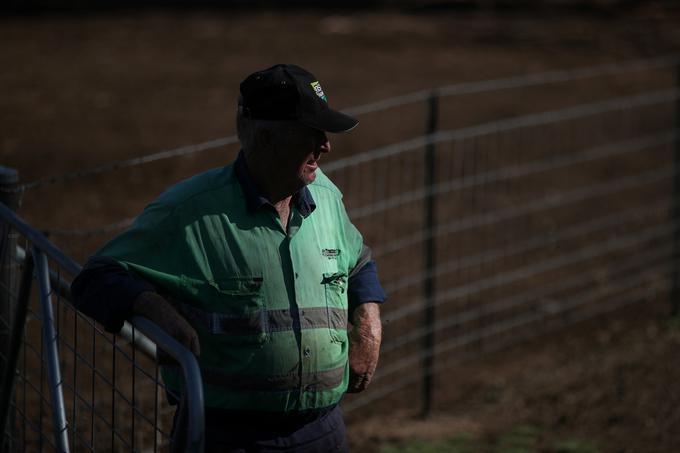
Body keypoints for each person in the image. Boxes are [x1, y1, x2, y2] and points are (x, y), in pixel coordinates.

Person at [71, 63, 386, 452]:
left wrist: (368, 327)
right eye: (311, 133)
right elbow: (96, 278)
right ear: (268, 137)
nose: (326, 145)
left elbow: (358, 262)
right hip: (228, 437)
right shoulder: (189, 212)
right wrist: (153, 308)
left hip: (323, 431)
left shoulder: (325, 196)